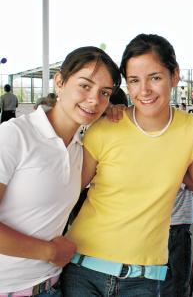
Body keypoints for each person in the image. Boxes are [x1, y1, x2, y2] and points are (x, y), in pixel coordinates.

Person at [60, 33, 193, 297]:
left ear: (174, 76)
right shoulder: (105, 127)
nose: (144, 90)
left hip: (144, 279)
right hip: (83, 271)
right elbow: (65, 195)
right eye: (134, 81)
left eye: (155, 78)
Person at [0, 46, 120, 296]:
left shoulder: (80, 148)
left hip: (52, 285)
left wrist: (114, 111)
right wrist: (51, 252)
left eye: (105, 93)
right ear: (60, 81)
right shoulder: (15, 135)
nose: (94, 99)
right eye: (85, 86)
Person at [161, 106, 193, 297]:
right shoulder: (175, 156)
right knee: (176, 282)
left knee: (163, 280)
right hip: (176, 226)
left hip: (162, 226)